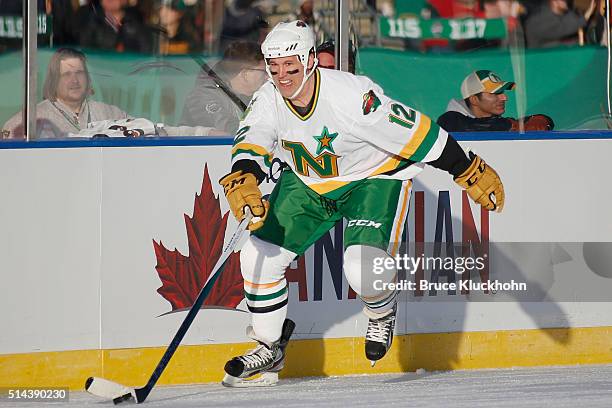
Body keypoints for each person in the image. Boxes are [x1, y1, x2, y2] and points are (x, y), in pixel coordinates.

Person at [218, 20, 505, 386]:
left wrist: (466, 170)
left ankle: (381, 311)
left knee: (361, 268)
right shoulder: (270, 95)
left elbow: (420, 132)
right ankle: (269, 346)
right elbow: (253, 135)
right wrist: (244, 174)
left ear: (310, 61)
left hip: (373, 178)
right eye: (274, 69)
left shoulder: (352, 97)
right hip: (309, 183)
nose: (282, 77)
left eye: (290, 67)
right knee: (257, 256)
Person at [2, 48, 129, 139]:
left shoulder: (108, 112)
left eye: (79, 73)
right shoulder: (34, 118)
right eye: (67, 74)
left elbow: (143, 129)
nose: (74, 80)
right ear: (54, 80)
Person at [180, 41, 267, 134]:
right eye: (264, 71)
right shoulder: (202, 97)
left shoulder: (252, 96)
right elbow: (228, 128)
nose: (268, 77)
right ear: (245, 74)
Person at [437, 70, 554, 132]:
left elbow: (543, 120)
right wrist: (512, 126)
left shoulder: (497, 122)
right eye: (496, 93)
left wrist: (544, 120)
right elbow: (462, 127)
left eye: (503, 93)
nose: (504, 98)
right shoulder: (449, 121)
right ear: (474, 99)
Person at [524, 0, 597, 48]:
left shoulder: (564, 14)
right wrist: (586, 17)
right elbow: (562, 28)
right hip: (542, 64)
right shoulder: (538, 21)